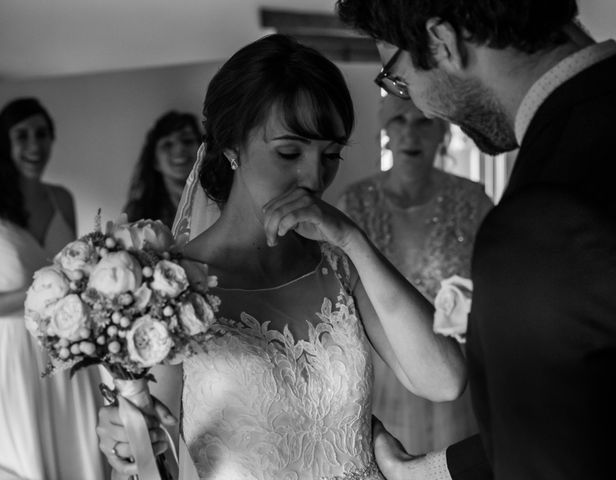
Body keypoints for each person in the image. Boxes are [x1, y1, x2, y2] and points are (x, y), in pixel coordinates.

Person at [96, 33, 467, 480]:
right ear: (232, 147)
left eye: (330, 155)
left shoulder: (339, 266)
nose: (314, 176)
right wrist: (128, 439)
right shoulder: (167, 290)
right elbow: (148, 467)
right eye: (289, 151)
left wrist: (353, 240)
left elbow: (444, 381)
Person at [337, 0, 616, 478]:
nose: (419, 106)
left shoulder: (541, 219)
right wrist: (430, 471)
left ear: (443, 43)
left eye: (398, 77)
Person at [337, 95, 492, 453]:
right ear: (386, 131)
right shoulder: (354, 204)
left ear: (442, 132)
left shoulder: (473, 200)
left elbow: (502, 285)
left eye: (423, 122)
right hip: (383, 371)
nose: (411, 134)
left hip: (454, 372)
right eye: (399, 121)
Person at [0, 98, 105, 479]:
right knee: (27, 461)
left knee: (82, 450)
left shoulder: (61, 198)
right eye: (23, 135)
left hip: (66, 345)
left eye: (43, 134)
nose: (35, 145)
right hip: (9, 348)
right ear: (5, 142)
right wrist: (43, 291)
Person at [123, 110, 202, 228]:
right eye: (167, 144)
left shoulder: (223, 202)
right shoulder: (139, 212)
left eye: (187, 141)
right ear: (155, 161)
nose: (179, 149)